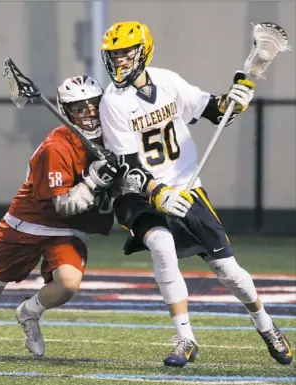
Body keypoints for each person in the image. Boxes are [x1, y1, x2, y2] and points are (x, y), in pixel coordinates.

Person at [99, 21, 293, 368]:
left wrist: (238, 94)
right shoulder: (113, 101)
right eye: (114, 57)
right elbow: (127, 165)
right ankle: (185, 338)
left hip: (186, 183)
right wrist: (157, 193)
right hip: (140, 193)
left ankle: (265, 324)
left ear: (143, 53)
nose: (120, 63)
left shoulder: (168, 81)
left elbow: (214, 110)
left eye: (126, 55)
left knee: (227, 269)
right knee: (160, 243)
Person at [0, 75, 116, 359]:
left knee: (68, 284)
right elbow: (63, 205)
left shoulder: (114, 137)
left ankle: (28, 312)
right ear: (67, 112)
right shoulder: (57, 147)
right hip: (28, 223)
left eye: (93, 105)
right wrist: (93, 180)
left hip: (67, 230)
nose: (89, 113)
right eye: (79, 108)